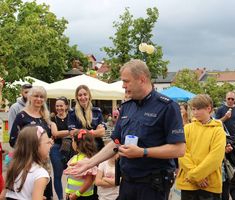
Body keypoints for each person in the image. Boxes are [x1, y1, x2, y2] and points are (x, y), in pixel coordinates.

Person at [65, 59, 186, 200]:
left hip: (153, 184)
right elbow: (115, 142)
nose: (123, 86)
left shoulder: (167, 106)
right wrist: (90, 163)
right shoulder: (127, 106)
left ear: (142, 79)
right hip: (127, 181)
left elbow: (179, 149)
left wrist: (143, 152)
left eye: (126, 81)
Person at [176, 94, 226, 199]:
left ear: (209, 108)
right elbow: (182, 153)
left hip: (209, 184)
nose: (195, 112)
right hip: (188, 184)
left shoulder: (218, 130)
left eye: (198, 109)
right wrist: (197, 177)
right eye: (193, 109)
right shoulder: (187, 128)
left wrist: (195, 175)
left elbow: (215, 158)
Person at [9, 86, 53, 200]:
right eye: (36, 96)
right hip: (27, 162)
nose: (39, 99)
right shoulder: (22, 116)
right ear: (30, 97)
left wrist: (49, 141)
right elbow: (13, 140)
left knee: (45, 192)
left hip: (44, 161)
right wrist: (31, 147)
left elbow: (47, 136)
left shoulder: (45, 117)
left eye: (42, 97)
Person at [4, 126, 52, 200]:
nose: (51, 145)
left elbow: (3, 196)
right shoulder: (40, 174)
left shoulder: (13, 168)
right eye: (48, 142)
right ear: (36, 147)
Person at [68, 85, 106, 151]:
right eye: (80, 95)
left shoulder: (97, 111)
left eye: (85, 94)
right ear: (77, 97)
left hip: (97, 147)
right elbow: (72, 132)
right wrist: (94, 132)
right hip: (80, 148)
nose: (83, 97)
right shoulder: (72, 113)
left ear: (89, 96)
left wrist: (80, 131)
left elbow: (102, 132)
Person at [64, 129, 98, 200]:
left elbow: (89, 181)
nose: (72, 143)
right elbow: (71, 178)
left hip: (83, 196)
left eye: (73, 141)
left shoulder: (87, 161)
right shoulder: (75, 157)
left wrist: (77, 194)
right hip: (72, 195)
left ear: (77, 144)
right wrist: (68, 191)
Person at [50, 96, 70, 200]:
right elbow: (55, 133)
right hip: (56, 149)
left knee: (72, 174)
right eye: (57, 106)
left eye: (61, 105)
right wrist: (70, 132)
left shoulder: (72, 116)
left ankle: (70, 196)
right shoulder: (52, 118)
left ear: (66, 106)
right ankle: (60, 198)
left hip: (71, 148)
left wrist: (62, 133)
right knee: (58, 175)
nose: (59, 108)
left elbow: (77, 130)